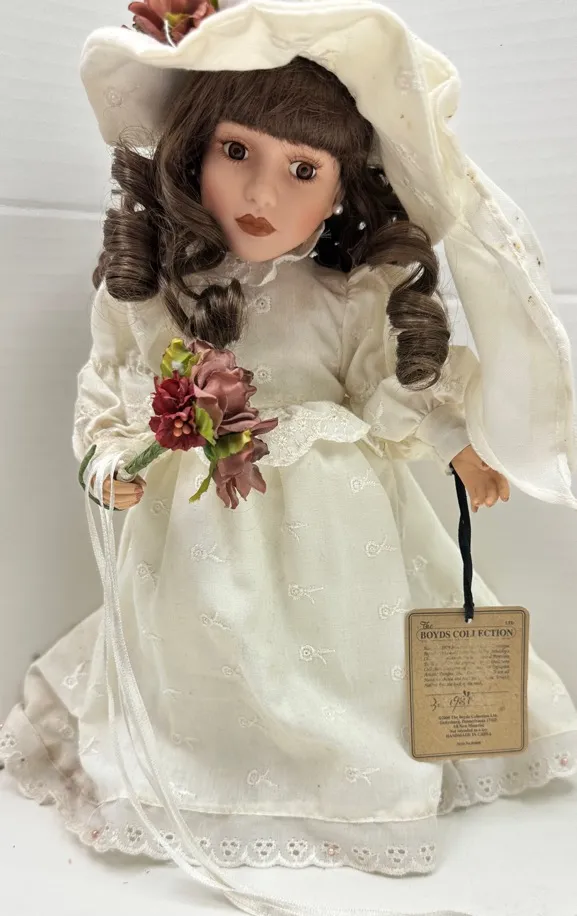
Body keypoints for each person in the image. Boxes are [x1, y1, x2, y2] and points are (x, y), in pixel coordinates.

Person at [1, 2, 576, 914]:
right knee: (199, 657)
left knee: (344, 669)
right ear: (192, 151)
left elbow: (388, 392)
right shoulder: (157, 295)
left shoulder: (346, 297)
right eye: (237, 151)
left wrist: (456, 449)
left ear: (343, 188)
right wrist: (110, 461)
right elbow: (113, 387)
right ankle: (205, 776)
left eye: (301, 170)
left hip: (336, 538)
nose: (261, 194)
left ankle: (344, 780)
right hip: (198, 535)